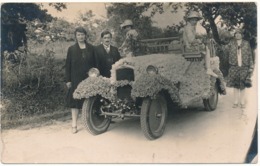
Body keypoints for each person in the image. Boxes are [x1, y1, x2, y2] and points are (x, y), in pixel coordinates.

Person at [65, 27, 97, 134]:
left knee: (89, 100)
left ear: (85, 35)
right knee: (75, 102)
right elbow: (67, 65)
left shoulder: (92, 48)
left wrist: (95, 76)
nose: (81, 36)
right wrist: (68, 80)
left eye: (82, 34)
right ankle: (74, 124)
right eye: (78, 34)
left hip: (89, 78)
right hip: (75, 79)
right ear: (75, 36)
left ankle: (90, 122)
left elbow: (95, 65)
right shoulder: (71, 49)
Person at [182, 11, 218, 78]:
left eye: (196, 20)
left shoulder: (191, 27)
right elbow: (191, 40)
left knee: (207, 46)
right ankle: (208, 69)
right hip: (189, 47)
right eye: (193, 20)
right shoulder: (188, 28)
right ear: (190, 20)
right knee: (206, 48)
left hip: (190, 45)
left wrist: (199, 40)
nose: (195, 22)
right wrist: (199, 41)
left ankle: (209, 66)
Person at [226, 29, 254, 108]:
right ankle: (235, 102)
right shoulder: (231, 43)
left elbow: (250, 55)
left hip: (244, 66)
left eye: (239, 34)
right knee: (235, 85)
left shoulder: (246, 43)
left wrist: (251, 66)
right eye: (236, 34)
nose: (238, 35)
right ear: (234, 35)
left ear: (242, 35)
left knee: (243, 85)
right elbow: (225, 52)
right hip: (234, 66)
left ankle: (242, 102)